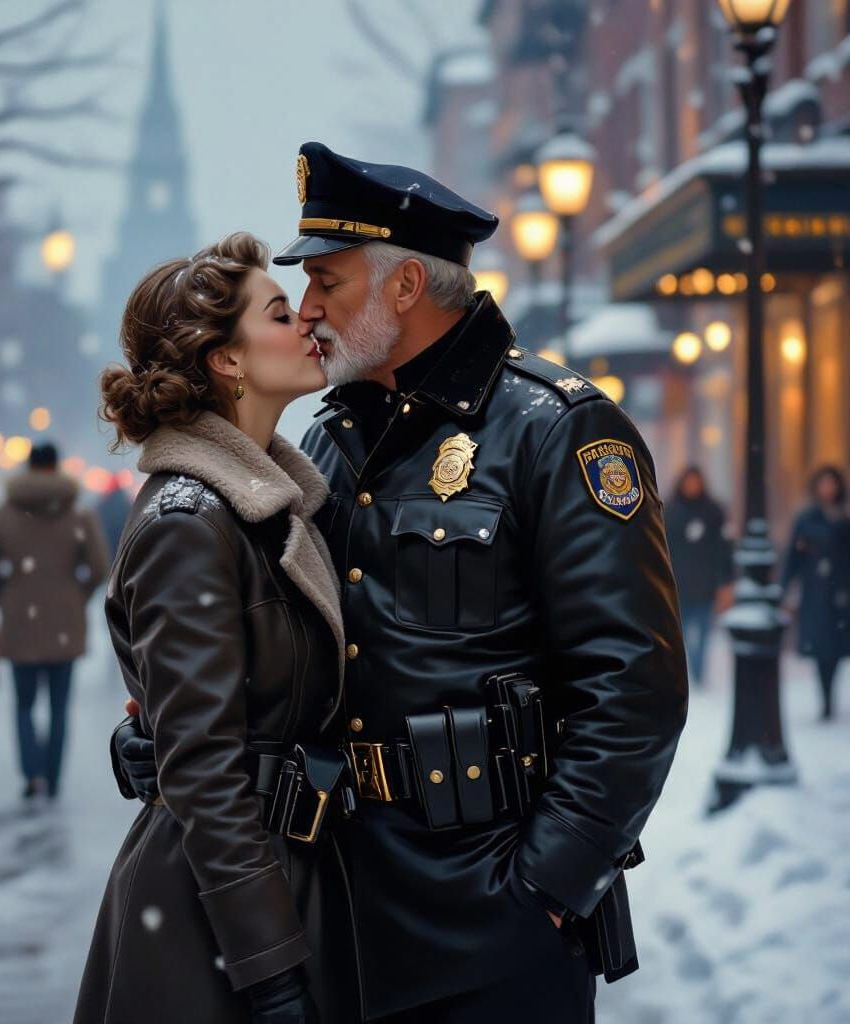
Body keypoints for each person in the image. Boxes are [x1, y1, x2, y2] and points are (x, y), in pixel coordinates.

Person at [114, 142, 689, 1024]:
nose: (308, 310)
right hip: (343, 905)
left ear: (406, 288)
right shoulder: (334, 439)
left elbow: (636, 690)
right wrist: (182, 735)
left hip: (493, 911)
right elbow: (299, 647)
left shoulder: (557, 430)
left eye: (327, 283)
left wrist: (548, 886)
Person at [73, 232, 354, 1024]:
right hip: (214, 924)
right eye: (276, 311)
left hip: (263, 892)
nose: (305, 319)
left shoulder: (262, 506)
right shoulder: (189, 520)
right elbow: (204, 770)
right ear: (226, 361)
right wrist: (272, 976)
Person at [0, 441, 109, 799]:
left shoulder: (5, 513)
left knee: (24, 704)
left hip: (20, 618)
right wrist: (77, 593)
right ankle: (53, 775)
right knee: (60, 706)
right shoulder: (78, 514)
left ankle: (31, 773)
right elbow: (99, 567)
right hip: (65, 618)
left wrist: (5, 596)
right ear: (57, 466)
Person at [781, 465, 850, 721]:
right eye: (824, 483)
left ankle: (830, 695)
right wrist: (784, 586)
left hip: (841, 594)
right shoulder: (807, 518)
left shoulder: (844, 517)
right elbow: (793, 556)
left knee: (836, 649)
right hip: (816, 594)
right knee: (821, 649)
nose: (828, 489)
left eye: (832, 484)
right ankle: (826, 699)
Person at [665, 466, 732, 686]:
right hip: (679, 585)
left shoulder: (713, 511)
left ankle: (699, 672)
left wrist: (726, 581)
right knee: (680, 635)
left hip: (706, 585)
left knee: (703, 634)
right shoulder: (670, 511)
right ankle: (687, 671)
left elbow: (724, 548)